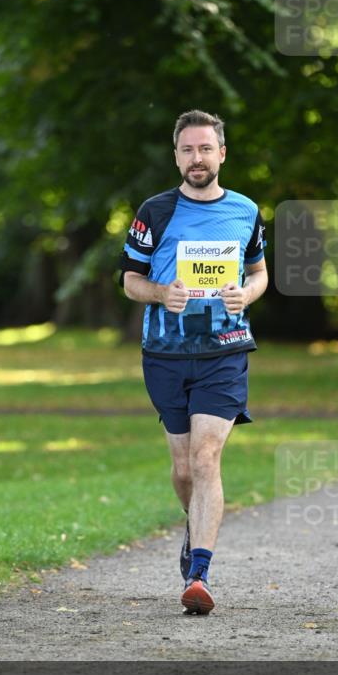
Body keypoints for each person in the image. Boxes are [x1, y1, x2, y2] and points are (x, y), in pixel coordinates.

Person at [119, 109, 268, 615]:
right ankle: (194, 524)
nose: (197, 158)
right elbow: (130, 281)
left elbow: (260, 272)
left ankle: (199, 574)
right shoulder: (154, 212)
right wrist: (163, 293)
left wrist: (244, 295)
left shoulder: (246, 210)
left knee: (207, 458)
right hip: (165, 353)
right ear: (177, 155)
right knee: (183, 468)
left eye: (206, 149)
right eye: (188, 150)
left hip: (224, 350)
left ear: (222, 153)